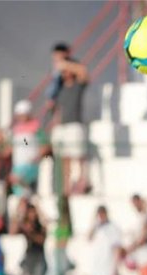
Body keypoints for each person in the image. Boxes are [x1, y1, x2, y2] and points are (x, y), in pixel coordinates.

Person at [49, 43, 90, 195]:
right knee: (64, 158)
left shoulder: (78, 84)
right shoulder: (60, 89)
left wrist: (64, 63)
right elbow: (58, 109)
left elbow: (83, 72)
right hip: (62, 127)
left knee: (78, 156)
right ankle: (66, 187)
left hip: (75, 125)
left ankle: (81, 183)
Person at [5, 100, 50, 196]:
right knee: (18, 191)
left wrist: (36, 158)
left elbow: (45, 146)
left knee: (18, 181)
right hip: (17, 165)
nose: (21, 117)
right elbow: (8, 149)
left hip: (31, 165)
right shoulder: (15, 130)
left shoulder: (37, 128)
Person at [10, 199, 47, 275]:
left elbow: (41, 239)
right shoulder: (25, 224)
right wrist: (18, 213)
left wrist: (30, 233)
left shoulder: (39, 226)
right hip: (28, 257)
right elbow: (12, 231)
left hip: (39, 257)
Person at [88, 206, 125, 275]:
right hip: (97, 268)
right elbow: (89, 237)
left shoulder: (113, 228)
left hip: (108, 268)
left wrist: (115, 267)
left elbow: (117, 248)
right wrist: (93, 223)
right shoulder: (96, 227)